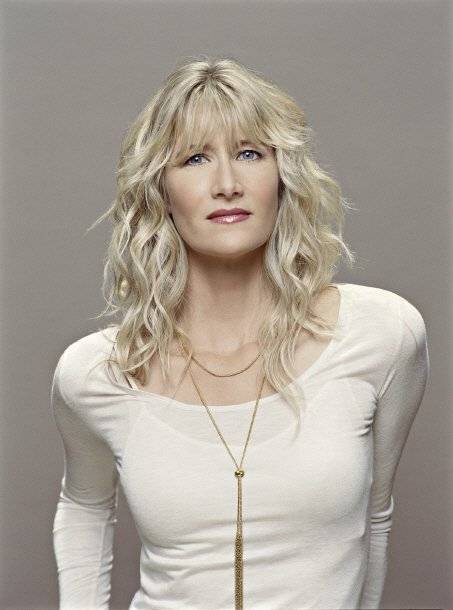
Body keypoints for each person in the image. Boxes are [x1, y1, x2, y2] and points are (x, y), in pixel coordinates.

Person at [50, 55, 430, 610]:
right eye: (194, 158)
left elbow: (375, 517)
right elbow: (84, 507)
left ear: (282, 175)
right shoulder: (97, 373)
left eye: (250, 153)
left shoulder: (380, 334)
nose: (227, 184)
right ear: (160, 191)